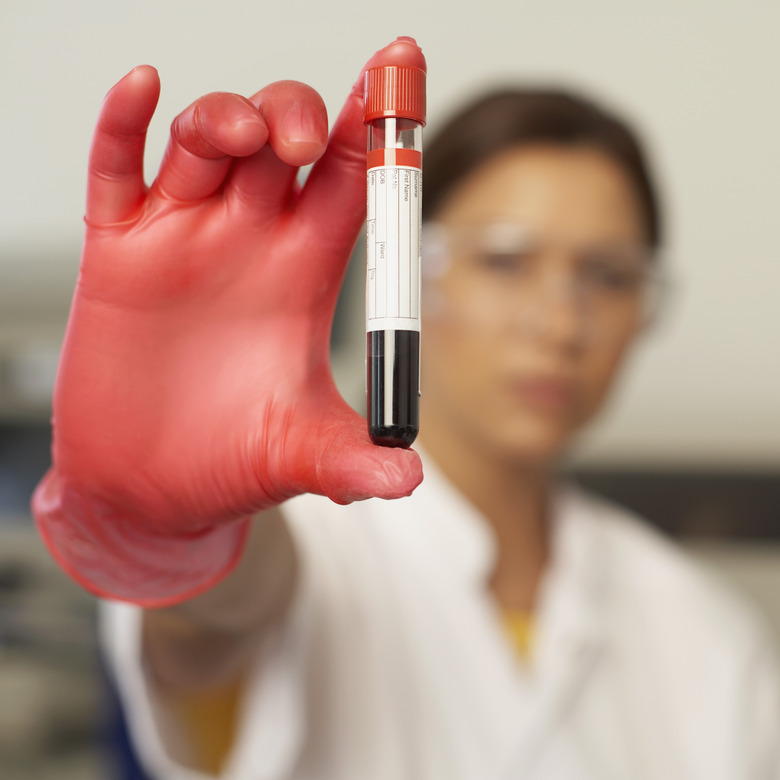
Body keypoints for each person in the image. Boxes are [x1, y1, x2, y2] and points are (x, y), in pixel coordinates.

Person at [33, 37, 779, 779]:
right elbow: (216, 617)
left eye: (610, 276)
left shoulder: (710, 640)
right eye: (506, 261)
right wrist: (180, 533)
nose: (560, 325)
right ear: (405, 263)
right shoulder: (309, 545)